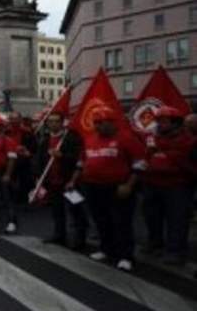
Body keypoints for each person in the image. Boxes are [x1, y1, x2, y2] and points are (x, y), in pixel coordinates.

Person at [68, 107, 146, 272]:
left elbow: (140, 165)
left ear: (112, 122)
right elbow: (81, 163)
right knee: (101, 220)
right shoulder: (89, 139)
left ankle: (125, 256)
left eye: (103, 122)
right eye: (97, 123)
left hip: (118, 187)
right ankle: (106, 249)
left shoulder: (127, 139)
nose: (99, 126)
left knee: (121, 222)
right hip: (93, 187)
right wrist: (73, 180)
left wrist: (128, 185)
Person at [140, 107, 196, 266]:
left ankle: (176, 252)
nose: (159, 123)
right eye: (158, 120)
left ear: (175, 123)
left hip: (177, 187)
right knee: (152, 217)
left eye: (164, 120)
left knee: (177, 221)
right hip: (152, 184)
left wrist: (169, 156)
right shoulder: (152, 138)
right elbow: (146, 157)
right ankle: (155, 244)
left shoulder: (189, 141)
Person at [34, 112, 89, 250]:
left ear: (62, 122)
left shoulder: (70, 138)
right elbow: (39, 160)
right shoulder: (45, 140)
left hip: (69, 182)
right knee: (57, 211)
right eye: (50, 121)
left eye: (56, 121)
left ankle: (80, 239)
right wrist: (38, 177)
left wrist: (62, 155)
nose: (53, 124)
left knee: (76, 210)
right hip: (53, 183)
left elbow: (79, 158)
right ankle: (59, 235)